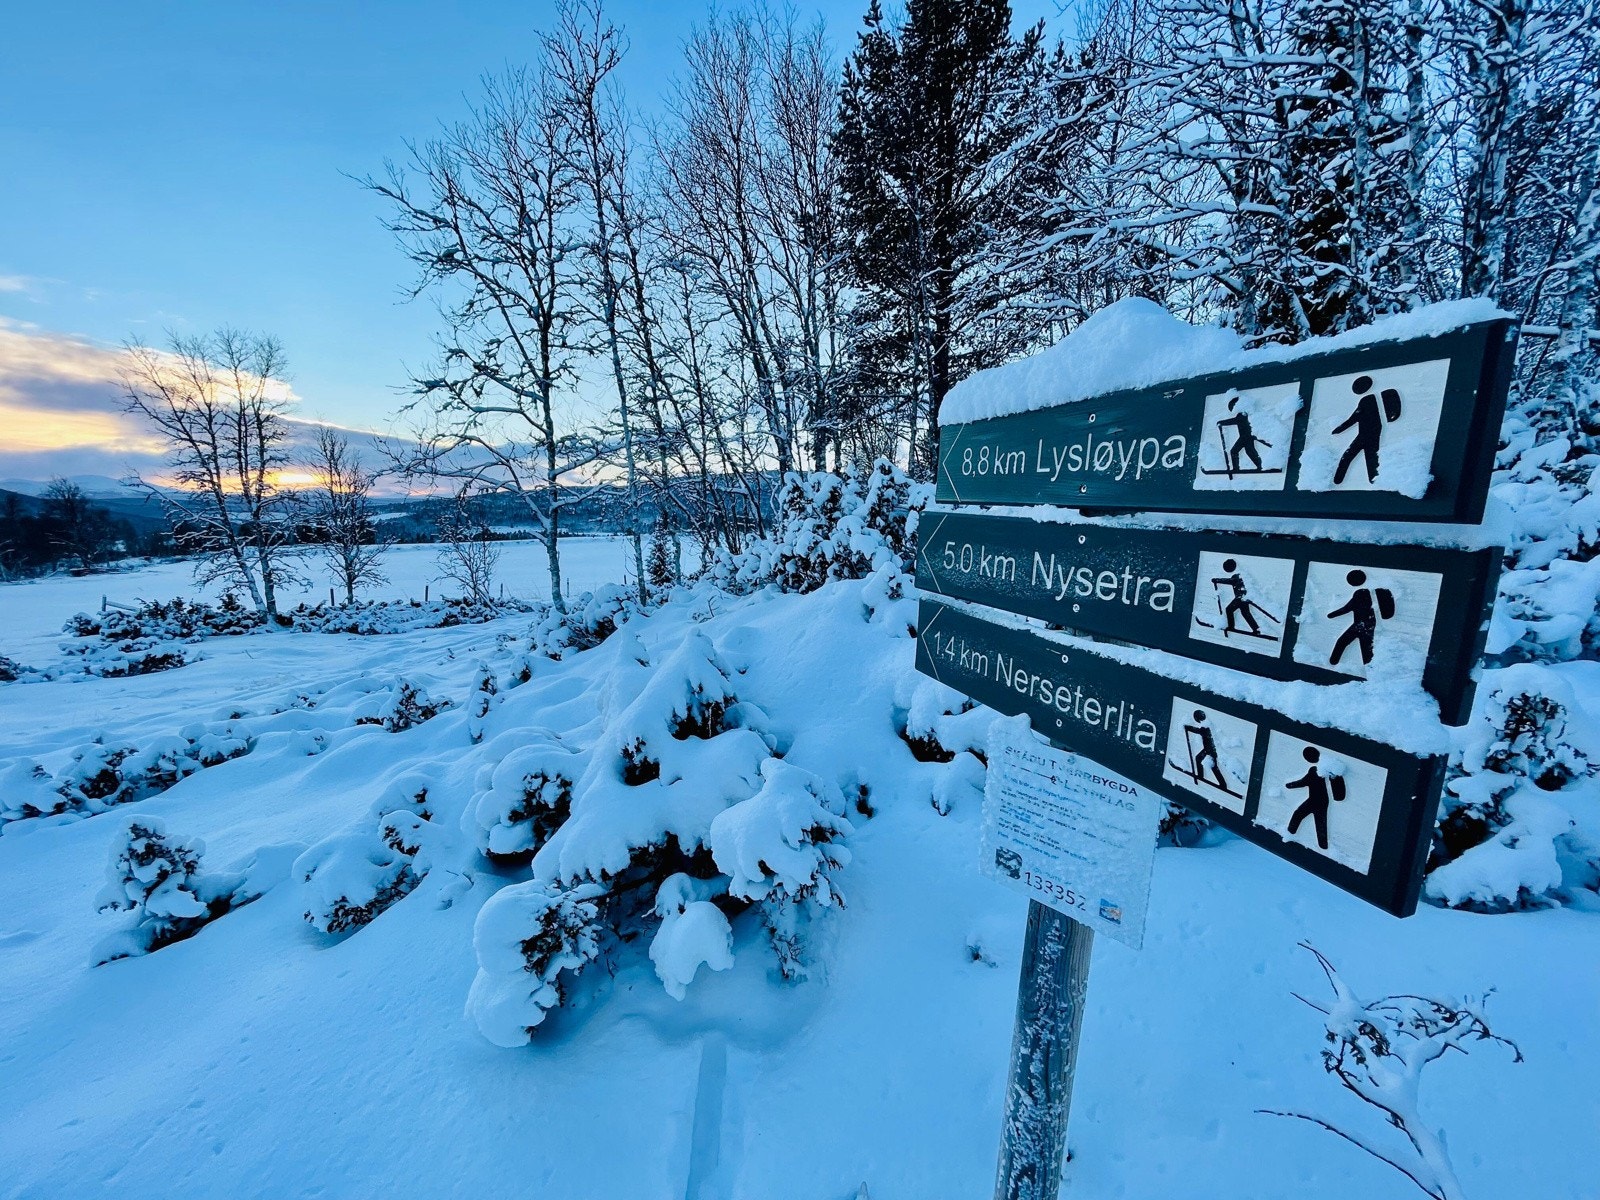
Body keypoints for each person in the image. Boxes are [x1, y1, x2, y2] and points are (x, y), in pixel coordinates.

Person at [1285, 747, 1342, 851]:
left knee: (1319, 823)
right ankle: (1290, 833)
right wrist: (1290, 785)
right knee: (1301, 815)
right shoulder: (1315, 770)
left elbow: (1303, 782)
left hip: (1319, 801)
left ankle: (1323, 845)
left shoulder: (1319, 771)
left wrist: (1290, 785)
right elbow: (1304, 782)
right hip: (1315, 800)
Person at [1332, 375, 1384, 485]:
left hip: (1367, 435)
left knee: (1349, 456)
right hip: (1371, 433)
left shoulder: (1368, 400)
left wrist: (1340, 429)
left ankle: (1338, 480)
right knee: (1371, 460)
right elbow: (1356, 417)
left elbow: (1354, 418)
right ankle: (1375, 482)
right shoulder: (1372, 398)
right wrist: (1339, 429)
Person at [1328, 569, 1383, 667]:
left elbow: (1345, 609)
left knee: (1344, 642)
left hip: (1361, 626)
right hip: (1366, 625)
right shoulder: (1366, 596)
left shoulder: (1359, 596)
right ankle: (1370, 669)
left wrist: (1332, 615)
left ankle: (1334, 661)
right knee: (1365, 649)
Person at [1217, 394, 1271, 475]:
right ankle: (1259, 466)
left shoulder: (1243, 414)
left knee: (1236, 451)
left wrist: (1222, 422)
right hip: (1246, 436)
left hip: (1246, 436)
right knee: (1249, 451)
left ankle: (1237, 468)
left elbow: (1234, 421)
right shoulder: (1243, 414)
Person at [1212, 559, 1262, 636]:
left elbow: (1227, 580)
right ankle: (1256, 629)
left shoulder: (1236, 579)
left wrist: (1216, 580)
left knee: (1229, 610)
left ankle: (1231, 627)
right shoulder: (1241, 578)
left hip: (1240, 598)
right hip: (1244, 598)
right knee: (1245, 613)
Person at [1183, 709, 1228, 790]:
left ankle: (1223, 784)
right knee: (1199, 759)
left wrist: (1188, 728)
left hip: (1211, 750)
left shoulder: (1206, 726)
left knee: (1213, 767)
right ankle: (1201, 776)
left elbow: (1198, 731)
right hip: (1208, 749)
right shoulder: (1207, 724)